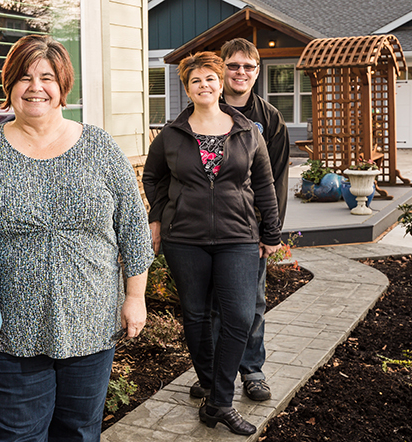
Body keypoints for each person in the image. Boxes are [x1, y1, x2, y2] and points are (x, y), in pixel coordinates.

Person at [0, 34, 153, 442]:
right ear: (9, 86)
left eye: (46, 77)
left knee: (79, 432)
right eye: (24, 77)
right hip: (10, 332)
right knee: (14, 435)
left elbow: (133, 227)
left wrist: (135, 297)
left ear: (63, 86)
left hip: (91, 323)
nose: (35, 87)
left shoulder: (99, 145)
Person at [142, 51, 283, 435]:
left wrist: (270, 233)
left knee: (238, 316)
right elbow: (152, 177)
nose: (204, 85)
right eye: (196, 81)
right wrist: (159, 215)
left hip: (238, 235)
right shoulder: (172, 134)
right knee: (197, 316)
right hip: (184, 238)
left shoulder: (247, 131)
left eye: (210, 78)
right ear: (187, 88)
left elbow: (265, 185)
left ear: (220, 83)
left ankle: (220, 400)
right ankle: (213, 390)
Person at [206, 37, 292, 402]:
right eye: (234, 65)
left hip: (249, 230)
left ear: (257, 72)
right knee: (212, 304)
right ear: (222, 68)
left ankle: (252, 370)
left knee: (251, 303)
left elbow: (277, 178)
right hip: (206, 229)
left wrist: (270, 231)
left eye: (248, 66)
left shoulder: (269, 119)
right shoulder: (204, 109)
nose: (240, 72)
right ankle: (210, 372)